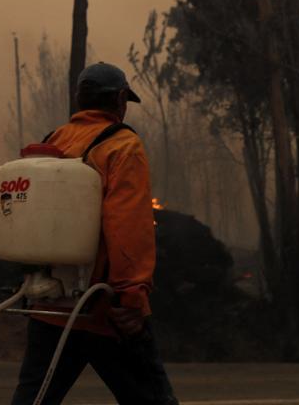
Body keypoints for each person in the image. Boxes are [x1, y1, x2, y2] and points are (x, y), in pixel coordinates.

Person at [10, 62, 178, 405]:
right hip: (105, 310)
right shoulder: (122, 145)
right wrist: (130, 297)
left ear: (79, 100)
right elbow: (127, 225)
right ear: (120, 99)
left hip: (51, 305)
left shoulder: (52, 142)